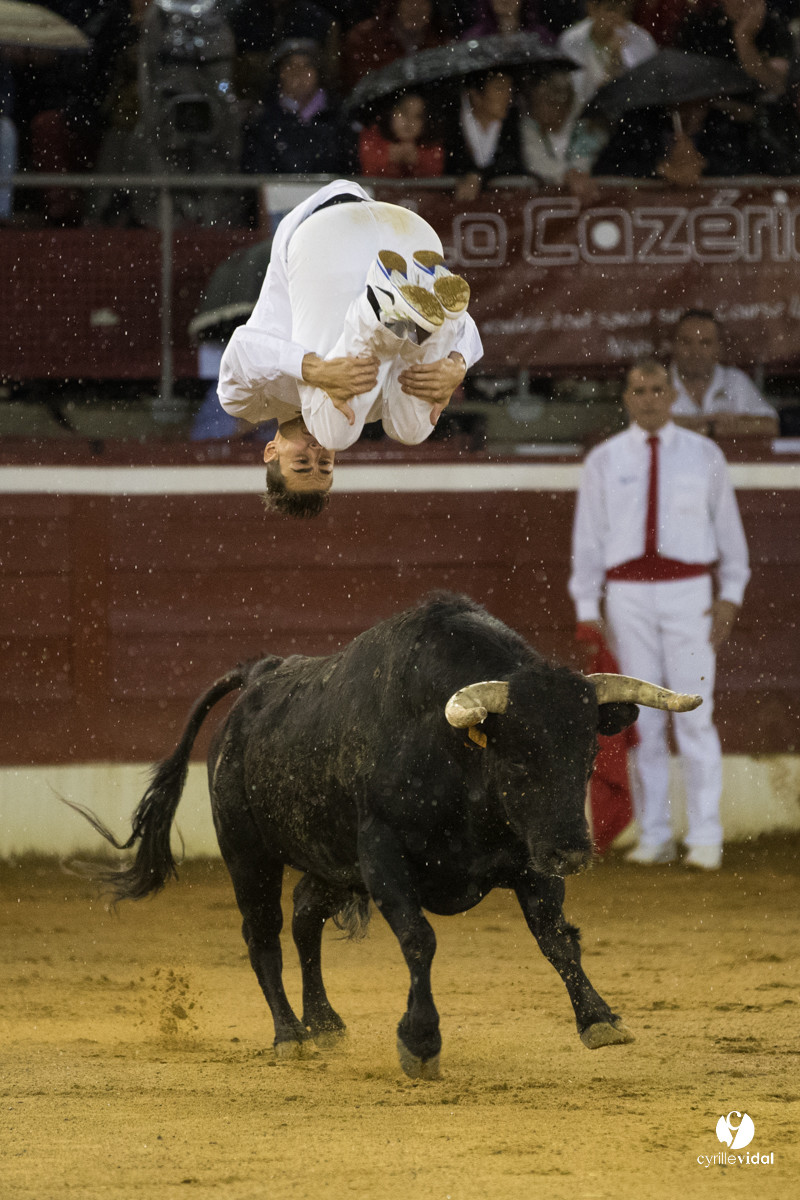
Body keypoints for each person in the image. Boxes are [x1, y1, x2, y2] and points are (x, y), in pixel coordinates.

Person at [569, 359, 751, 870]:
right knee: (643, 720)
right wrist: (588, 606)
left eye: (656, 389)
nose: (648, 398)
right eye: (638, 390)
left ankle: (706, 837)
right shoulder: (604, 461)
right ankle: (655, 834)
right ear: (626, 398)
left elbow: (730, 536)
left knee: (694, 712)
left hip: (689, 592)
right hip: (627, 596)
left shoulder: (704, 456)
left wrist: (730, 594)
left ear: (672, 396)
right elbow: (589, 540)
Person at [217, 180, 483, 517]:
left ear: (271, 450)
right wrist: (456, 365)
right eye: (324, 465)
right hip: (410, 238)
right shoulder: (362, 410)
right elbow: (471, 328)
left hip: (326, 237)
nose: (316, 452)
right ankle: (431, 315)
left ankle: (371, 312)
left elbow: (243, 347)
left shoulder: (248, 403)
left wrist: (316, 370)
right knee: (410, 430)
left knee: (336, 432)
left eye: (301, 462)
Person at [241, 40, 355, 176]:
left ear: (318, 73)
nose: (298, 72)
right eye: (290, 65)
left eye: (307, 65)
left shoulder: (339, 119)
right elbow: (255, 174)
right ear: (279, 73)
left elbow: (350, 170)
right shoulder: (261, 122)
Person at [669, 309, 779, 436]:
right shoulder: (659, 381)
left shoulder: (734, 380)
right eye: (686, 342)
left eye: (705, 343)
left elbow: (770, 425)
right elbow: (645, 426)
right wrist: (704, 424)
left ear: (718, 348)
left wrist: (711, 428)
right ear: (674, 345)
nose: (695, 352)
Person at [556, 0, 658, 109]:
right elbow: (568, 93)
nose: (618, 17)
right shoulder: (570, 41)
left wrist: (616, 57)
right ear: (591, 8)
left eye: (625, 12)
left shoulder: (643, 42)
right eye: (611, 9)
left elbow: (643, 94)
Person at [444, 69, 523, 202]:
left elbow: (511, 163)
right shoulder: (449, 119)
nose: (508, 97)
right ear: (475, 94)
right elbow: (448, 160)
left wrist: (479, 177)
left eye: (510, 89)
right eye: (499, 89)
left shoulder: (513, 118)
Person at [358, 92, 445, 178]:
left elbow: (434, 180)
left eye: (418, 116)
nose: (409, 121)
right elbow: (368, 174)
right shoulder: (372, 137)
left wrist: (418, 161)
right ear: (391, 112)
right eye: (404, 112)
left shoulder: (432, 145)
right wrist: (386, 158)